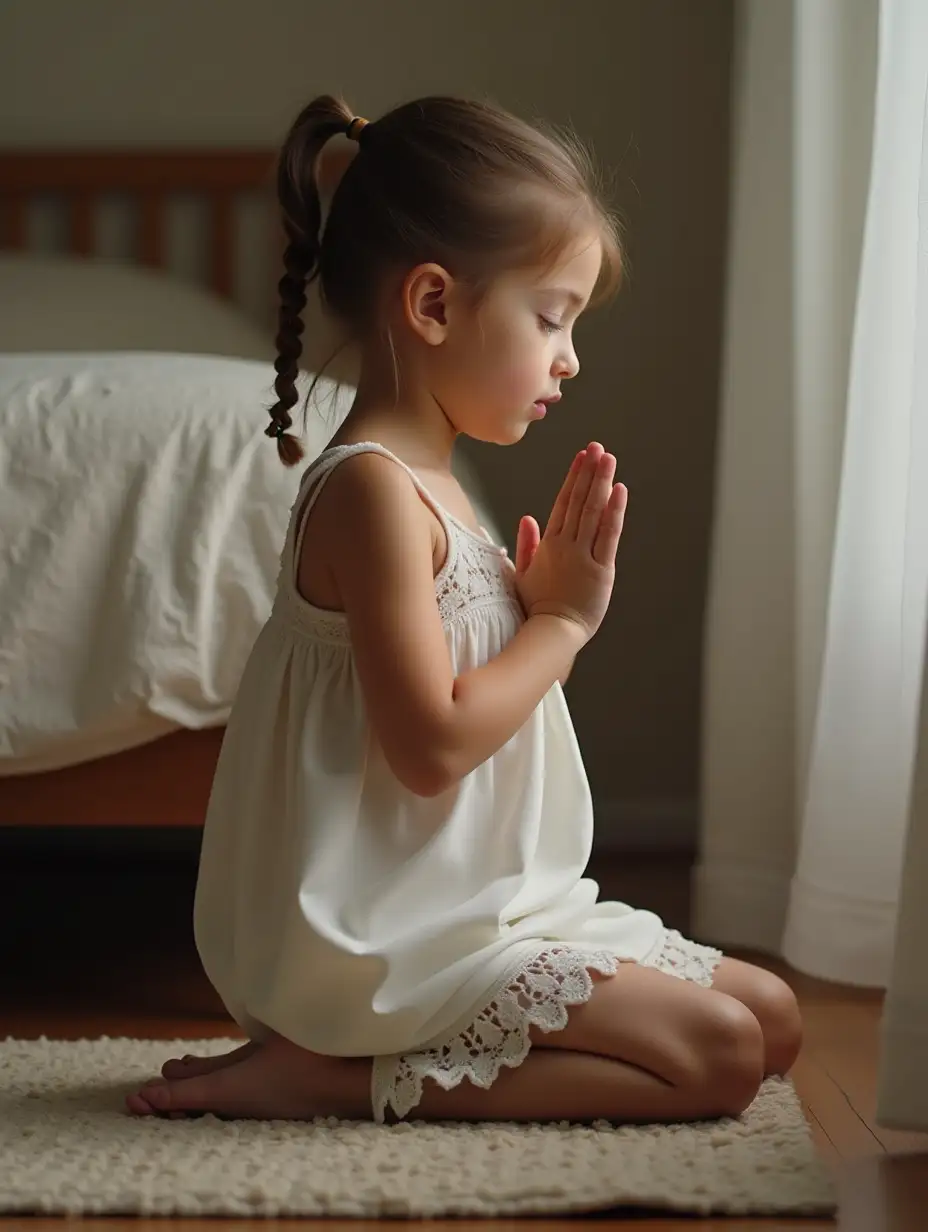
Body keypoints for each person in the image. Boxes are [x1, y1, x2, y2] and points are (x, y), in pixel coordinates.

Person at [127, 94, 801, 1125]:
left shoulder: (440, 486)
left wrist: (522, 610)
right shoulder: (369, 489)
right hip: (389, 929)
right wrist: (560, 626)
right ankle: (331, 1072)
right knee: (717, 1054)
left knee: (773, 1018)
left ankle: (380, 1056)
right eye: (552, 316)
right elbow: (431, 743)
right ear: (434, 304)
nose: (568, 355)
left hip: (485, 903)